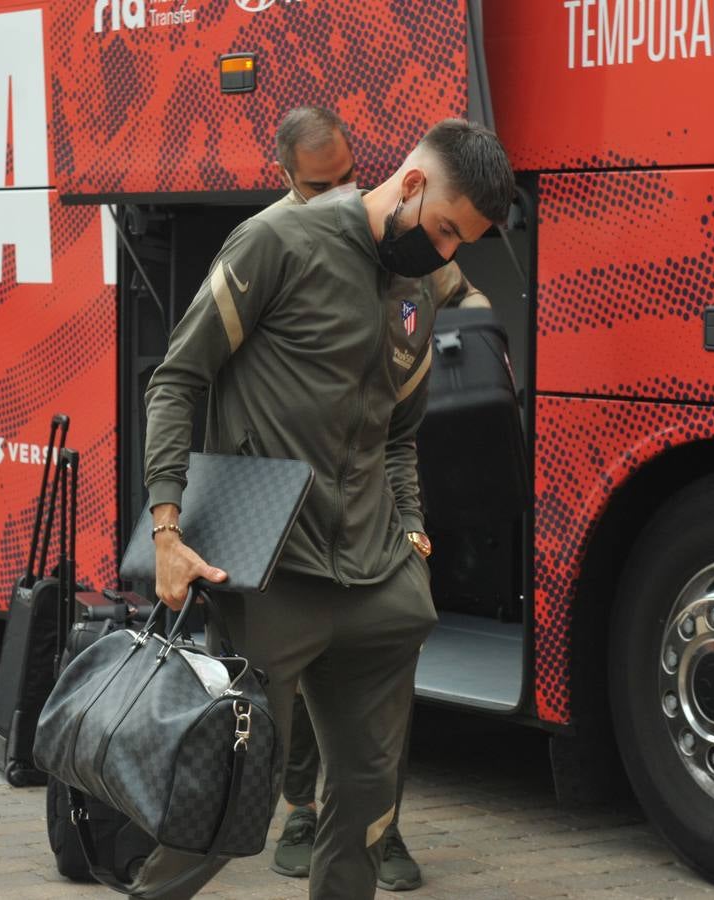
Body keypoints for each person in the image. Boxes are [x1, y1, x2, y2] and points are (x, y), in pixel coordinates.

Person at [138, 119, 515, 900]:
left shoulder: (416, 289)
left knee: (368, 811)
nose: (446, 253)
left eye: (462, 245)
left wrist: (411, 534)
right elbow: (177, 379)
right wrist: (166, 528)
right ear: (410, 183)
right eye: (445, 229)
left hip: (379, 579)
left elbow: (402, 434)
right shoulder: (275, 242)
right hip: (275, 574)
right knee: (226, 793)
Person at [263, 107, 493, 892]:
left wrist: (447, 368)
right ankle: (301, 809)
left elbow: (465, 305)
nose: (337, 193)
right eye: (318, 184)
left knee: (383, 664)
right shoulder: (275, 244)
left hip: (374, 488)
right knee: (296, 668)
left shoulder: (404, 246)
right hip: (287, 504)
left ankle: (376, 827)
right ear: (284, 178)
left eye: (346, 178)